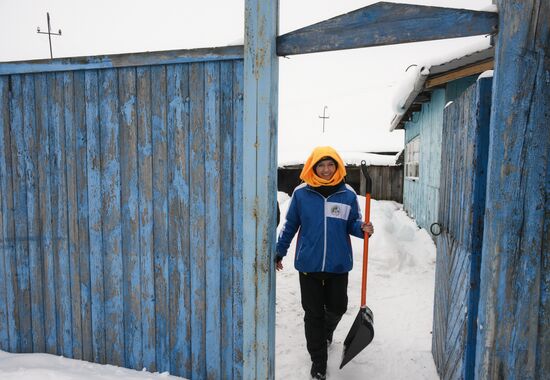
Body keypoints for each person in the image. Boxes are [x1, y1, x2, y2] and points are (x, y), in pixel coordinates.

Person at [275, 146, 374, 380]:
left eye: (330, 165)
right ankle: (318, 362)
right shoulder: (301, 194)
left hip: (338, 265)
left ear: (337, 166)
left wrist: (362, 229)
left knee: (338, 307)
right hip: (309, 265)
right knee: (313, 315)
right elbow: (290, 226)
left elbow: (352, 223)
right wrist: (280, 251)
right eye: (321, 165)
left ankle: (326, 332)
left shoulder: (347, 194)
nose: (326, 169)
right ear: (313, 167)